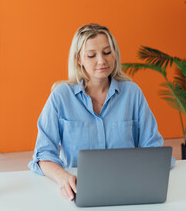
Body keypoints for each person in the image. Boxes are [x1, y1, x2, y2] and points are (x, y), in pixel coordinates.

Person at [28, 23, 174, 201]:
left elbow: (153, 149)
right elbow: (43, 155)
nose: (102, 61)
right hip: (78, 190)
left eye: (107, 52)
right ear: (78, 59)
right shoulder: (61, 96)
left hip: (128, 189)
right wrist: (63, 177)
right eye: (91, 55)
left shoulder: (132, 93)